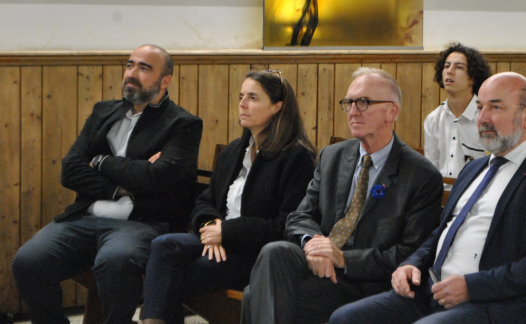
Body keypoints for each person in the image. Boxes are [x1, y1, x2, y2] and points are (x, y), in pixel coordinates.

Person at [329, 72, 526, 324]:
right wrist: (412, 264)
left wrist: (472, 287)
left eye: (495, 108)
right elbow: (442, 231)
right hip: (434, 293)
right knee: (346, 318)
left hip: (500, 305)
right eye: (479, 107)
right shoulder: (475, 169)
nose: (482, 118)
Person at [12, 45, 203, 324]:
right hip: (86, 216)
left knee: (116, 261)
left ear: (165, 81)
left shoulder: (182, 124)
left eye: (143, 68)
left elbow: (156, 178)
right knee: (27, 262)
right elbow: (70, 170)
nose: (132, 73)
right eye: (129, 65)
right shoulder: (103, 112)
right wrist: (121, 186)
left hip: (142, 222)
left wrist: (101, 161)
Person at [239, 67, 444, 324]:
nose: (353, 110)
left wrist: (342, 258)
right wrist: (314, 244)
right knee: (275, 251)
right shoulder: (332, 156)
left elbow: (409, 253)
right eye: (349, 103)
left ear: (392, 112)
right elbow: (300, 215)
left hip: (363, 282)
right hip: (316, 264)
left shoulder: (421, 175)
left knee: (254, 295)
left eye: (364, 102)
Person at [140, 71, 316, 324]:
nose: (243, 104)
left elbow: (288, 225)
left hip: (255, 254)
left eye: (253, 98)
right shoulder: (234, 150)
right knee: (163, 246)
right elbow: (205, 201)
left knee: (169, 277)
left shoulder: (296, 157)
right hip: (218, 243)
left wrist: (228, 232)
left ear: (277, 106)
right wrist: (211, 226)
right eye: (241, 96)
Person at [423, 42, 492, 179]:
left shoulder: (488, 118)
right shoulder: (433, 119)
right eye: (447, 66)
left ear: (473, 77)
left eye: (458, 67)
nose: (449, 71)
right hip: (441, 196)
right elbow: (430, 170)